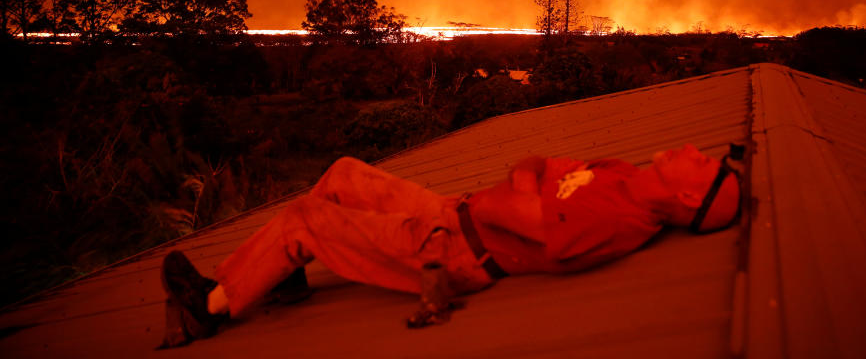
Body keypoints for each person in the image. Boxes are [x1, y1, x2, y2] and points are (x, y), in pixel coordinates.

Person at [158, 143, 742, 348]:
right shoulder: (619, 172)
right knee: (340, 176)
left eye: (703, 162)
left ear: (690, 198)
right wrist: (524, 184)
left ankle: (207, 308)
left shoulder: (620, 218)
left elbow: (508, 207)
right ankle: (281, 273)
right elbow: (533, 166)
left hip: (455, 251)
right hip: (451, 213)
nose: (694, 148)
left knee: (307, 217)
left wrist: (521, 188)